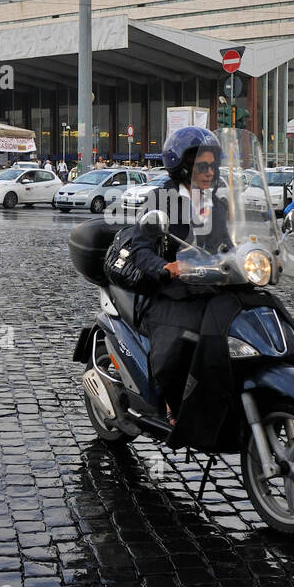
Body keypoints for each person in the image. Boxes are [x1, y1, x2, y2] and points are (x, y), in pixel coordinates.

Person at [109, 127, 235, 432]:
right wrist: (167, 267)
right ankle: (170, 401)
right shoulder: (160, 200)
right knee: (180, 336)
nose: (209, 172)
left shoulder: (217, 203)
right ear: (182, 166)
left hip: (206, 285)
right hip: (165, 290)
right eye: (201, 166)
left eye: (213, 165)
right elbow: (140, 248)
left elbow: (228, 242)